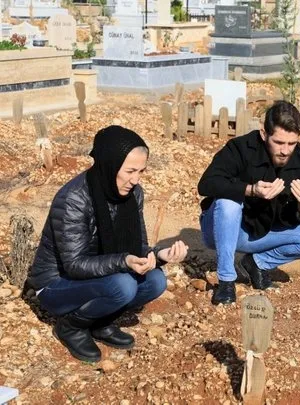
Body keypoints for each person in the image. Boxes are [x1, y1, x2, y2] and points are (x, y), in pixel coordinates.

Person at [27, 125, 188, 363]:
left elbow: (138, 246)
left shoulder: (133, 194)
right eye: (130, 171)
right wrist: (124, 261)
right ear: (109, 165)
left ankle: (100, 322)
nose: (136, 180)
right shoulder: (74, 199)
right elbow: (74, 265)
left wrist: (161, 255)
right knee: (123, 285)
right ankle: (71, 327)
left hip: (99, 275)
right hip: (56, 283)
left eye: (141, 171)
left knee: (156, 281)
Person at [197, 100, 300, 305]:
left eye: (292, 144)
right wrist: (250, 190)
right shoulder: (240, 148)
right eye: (279, 142)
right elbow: (206, 184)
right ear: (263, 134)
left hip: (262, 233)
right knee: (228, 202)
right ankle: (226, 281)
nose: (285, 150)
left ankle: (257, 263)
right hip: (223, 230)